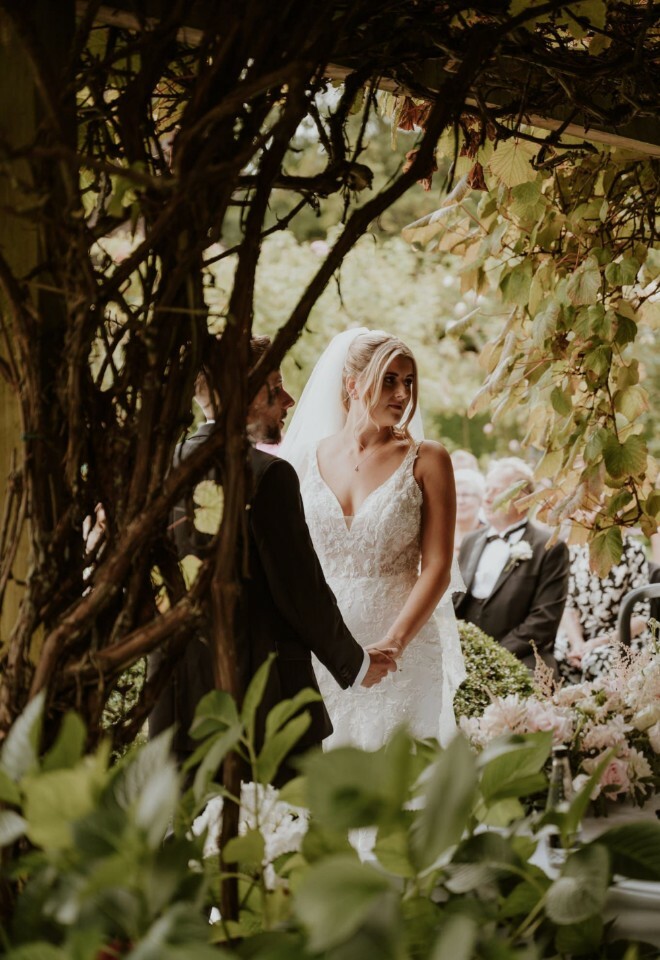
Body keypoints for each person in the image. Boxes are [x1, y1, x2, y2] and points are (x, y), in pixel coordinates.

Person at [149, 336, 395, 780]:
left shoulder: (163, 470)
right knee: (276, 832)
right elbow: (299, 591)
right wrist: (355, 663)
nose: (289, 399)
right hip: (263, 701)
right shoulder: (268, 476)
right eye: (274, 387)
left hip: (177, 697)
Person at [280, 328, 466, 750]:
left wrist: (394, 644)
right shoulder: (305, 460)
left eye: (408, 382)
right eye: (389, 380)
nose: (402, 393)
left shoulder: (427, 459)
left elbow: (436, 566)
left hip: (400, 651)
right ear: (352, 384)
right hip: (323, 646)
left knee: (395, 787)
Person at [454, 457, 569, 674]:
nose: (486, 499)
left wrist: (495, 656)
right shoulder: (471, 540)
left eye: (496, 492)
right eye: (486, 490)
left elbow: (544, 620)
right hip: (465, 652)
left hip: (522, 655)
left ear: (523, 500)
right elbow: (455, 599)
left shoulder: (549, 547)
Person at [554, 536, 652, 683]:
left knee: (595, 660)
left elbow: (641, 618)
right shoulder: (574, 549)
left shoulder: (632, 551)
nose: (582, 514)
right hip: (582, 635)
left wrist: (598, 643)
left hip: (622, 637)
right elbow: (568, 607)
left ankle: (601, 705)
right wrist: (578, 645)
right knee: (556, 655)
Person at [453, 467, 486, 554]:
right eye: (455, 495)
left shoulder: (488, 536)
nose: (460, 501)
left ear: (480, 500)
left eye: (466, 495)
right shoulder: (436, 534)